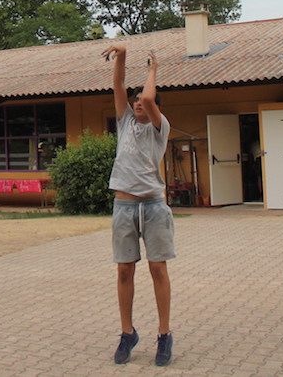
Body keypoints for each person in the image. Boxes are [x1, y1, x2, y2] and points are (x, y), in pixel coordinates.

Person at [100, 44, 174, 367]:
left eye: (144, 101)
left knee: (158, 268)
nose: (138, 103)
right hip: (124, 207)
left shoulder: (160, 128)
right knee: (124, 271)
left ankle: (164, 334)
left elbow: (146, 97)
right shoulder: (125, 123)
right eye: (135, 101)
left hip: (154, 207)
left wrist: (153, 69)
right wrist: (123, 55)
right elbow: (117, 86)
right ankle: (127, 332)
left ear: (155, 106)